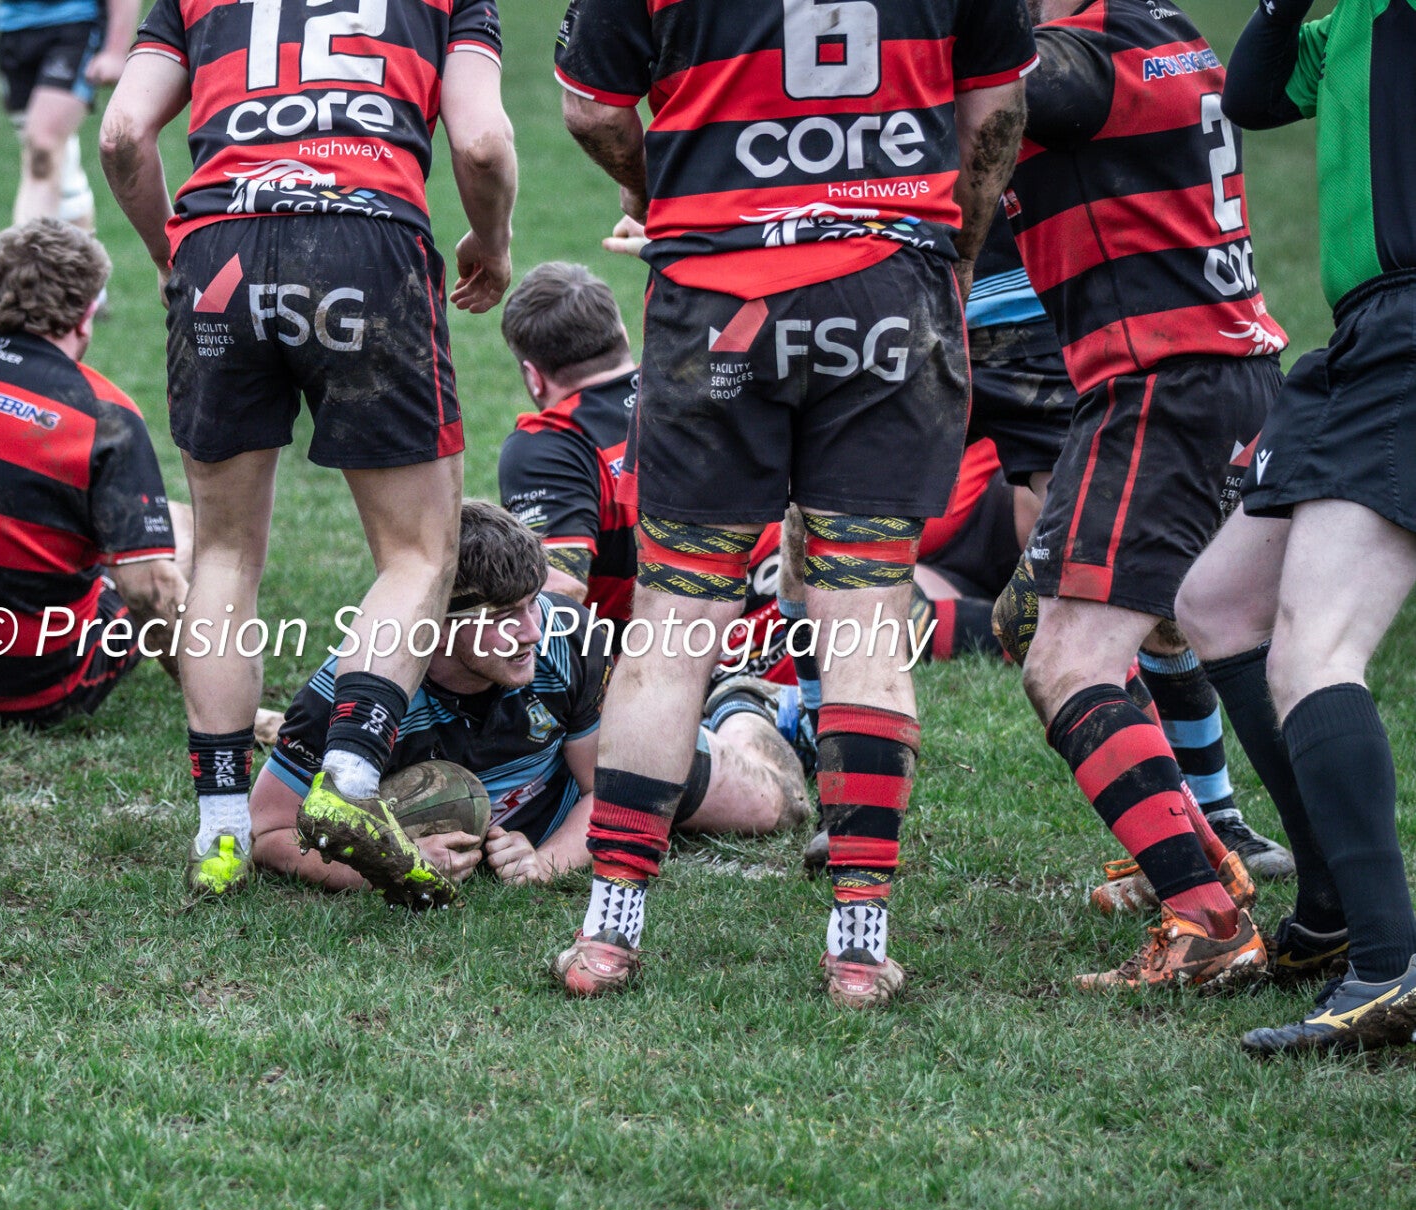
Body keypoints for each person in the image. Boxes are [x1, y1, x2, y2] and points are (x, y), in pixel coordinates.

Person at [548, 0, 1035, 1007]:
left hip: (716, 292)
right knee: (864, 617)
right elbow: (995, 113)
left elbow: (589, 109)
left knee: (673, 620)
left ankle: (608, 935)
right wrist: (952, 245)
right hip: (888, 292)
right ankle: (856, 946)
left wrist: (670, 193)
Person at [99, 0, 516, 906]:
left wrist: (175, 254)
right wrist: (492, 237)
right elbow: (481, 144)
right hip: (366, 238)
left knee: (221, 550)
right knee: (415, 554)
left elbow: (124, 133)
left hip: (221, 243)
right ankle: (351, 781)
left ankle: (220, 832)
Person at [998, 0, 1290, 992]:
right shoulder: (1164, 31)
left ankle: (1201, 916)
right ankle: (1194, 839)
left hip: (1158, 384)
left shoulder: (1075, 63)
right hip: (1224, 368)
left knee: (1066, 659)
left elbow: (970, 91)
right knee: (1060, 618)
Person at [1171, 0, 1416, 1054]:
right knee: (1218, 604)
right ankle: (1327, 915)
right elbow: (1253, 96)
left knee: (1313, 650)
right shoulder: (1352, 19)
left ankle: (1386, 963)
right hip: (1360, 335)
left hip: (1409, 329)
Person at [251, 503, 810, 895]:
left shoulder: (568, 638)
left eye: (532, 603)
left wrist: (546, 862)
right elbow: (269, 831)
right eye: (502, 617)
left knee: (777, 806)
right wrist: (390, 865)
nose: (530, 630)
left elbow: (605, 788)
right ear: (434, 624)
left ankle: (739, 705)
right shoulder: (350, 691)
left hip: (571, 790)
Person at [0, 219, 189, 725]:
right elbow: (151, 590)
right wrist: (220, 705)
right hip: (30, 689)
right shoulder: (103, 417)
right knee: (179, 530)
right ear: (85, 315)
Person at [497, 262, 641, 624]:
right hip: (784, 654)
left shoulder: (550, 445)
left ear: (534, 378)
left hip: (655, 669)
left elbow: (560, 592)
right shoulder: (694, 390)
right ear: (622, 335)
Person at [0, 0, 137, 227]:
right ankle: (81, 257)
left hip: (74, 25)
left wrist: (116, 51)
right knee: (47, 155)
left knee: (43, 148)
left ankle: (31, 256)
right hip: (11, 27)